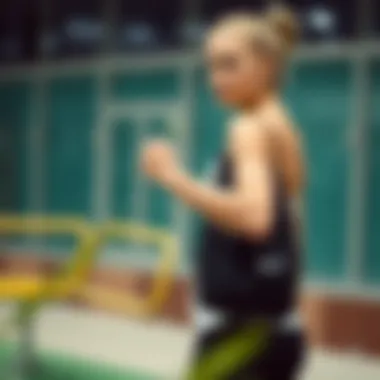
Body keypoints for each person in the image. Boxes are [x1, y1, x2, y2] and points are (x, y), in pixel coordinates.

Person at [140, 5, 306, 379]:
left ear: (265, 66)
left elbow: (255, 218)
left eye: (229, 65)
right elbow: (289, 223)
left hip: (242, 336)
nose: (216, 78)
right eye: (212, 66)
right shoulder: (283, 125)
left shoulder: (248, 128)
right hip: (275, 330)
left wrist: (171, 176)